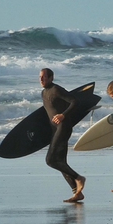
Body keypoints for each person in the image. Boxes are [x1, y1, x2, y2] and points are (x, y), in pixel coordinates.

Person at [40, 68, 86, 203]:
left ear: (51, 78)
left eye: (44, 77)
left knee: (50, 160)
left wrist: (63, 115)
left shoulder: (56, 90)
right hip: (55, 130)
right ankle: (77, 193)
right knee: (61, 162)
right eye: (40, 77)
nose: (41, 79)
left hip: (64, 127)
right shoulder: (43, 93)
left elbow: (74, 101)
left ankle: (78, 178)